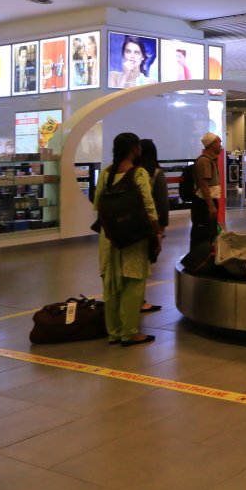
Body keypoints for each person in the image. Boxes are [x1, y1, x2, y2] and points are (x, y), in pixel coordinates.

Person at [94, 132, 161, 346]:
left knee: (112, 283)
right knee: (133, 282)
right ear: (134, 149)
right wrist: (157, 233)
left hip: (109, 236)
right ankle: (130, 332)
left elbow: (97, 204)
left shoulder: (106, 174)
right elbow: (149, 207)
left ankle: (113, 332)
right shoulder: (139, 173)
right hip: (134, 236)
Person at [137, 139, 168, 314]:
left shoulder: (131, 173)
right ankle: (139, 301)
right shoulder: (156, 174)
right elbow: (162, 204)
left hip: (133, 224)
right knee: (144, 264)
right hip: (150, 225)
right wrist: (161, 229)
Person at [191, 132, 223, 245]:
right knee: (204, 233)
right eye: (219, 142)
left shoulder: (210, 160)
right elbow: (204, 184)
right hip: (203, 204)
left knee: (210, 232)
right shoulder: (204, 161)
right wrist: (211, 206)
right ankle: (199, 259)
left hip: (207, 202)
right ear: (213, 144)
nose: (221, 145)